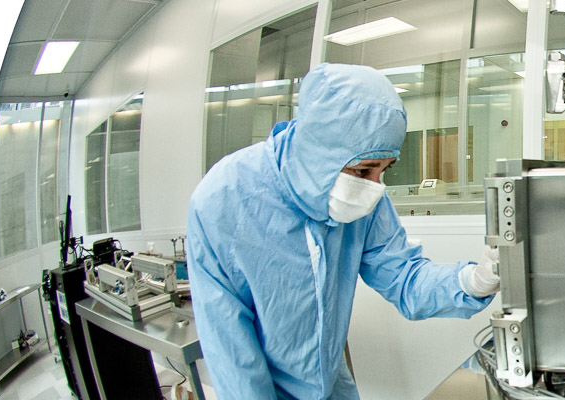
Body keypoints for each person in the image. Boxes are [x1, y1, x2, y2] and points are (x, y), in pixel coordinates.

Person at [187, 63, 501, 399]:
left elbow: (404, 278)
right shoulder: (223, 199)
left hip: (332, 385)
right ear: (320, 152)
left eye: (385, 169)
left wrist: (472, 281)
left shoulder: (361, 197)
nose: (374, 187)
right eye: (365, 169)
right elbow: (232, 350)